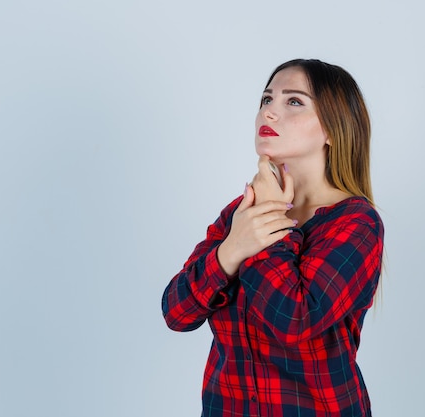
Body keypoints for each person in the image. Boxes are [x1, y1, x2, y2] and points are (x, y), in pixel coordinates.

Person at [161, 59, 384, 417]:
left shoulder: (356, 223)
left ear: (332, 128)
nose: (270, 112)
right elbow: (177, 312)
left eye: (293, 101)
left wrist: (269, 218)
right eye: (266, 100)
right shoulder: (240, 212)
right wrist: (231, 250)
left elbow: (294, 320)